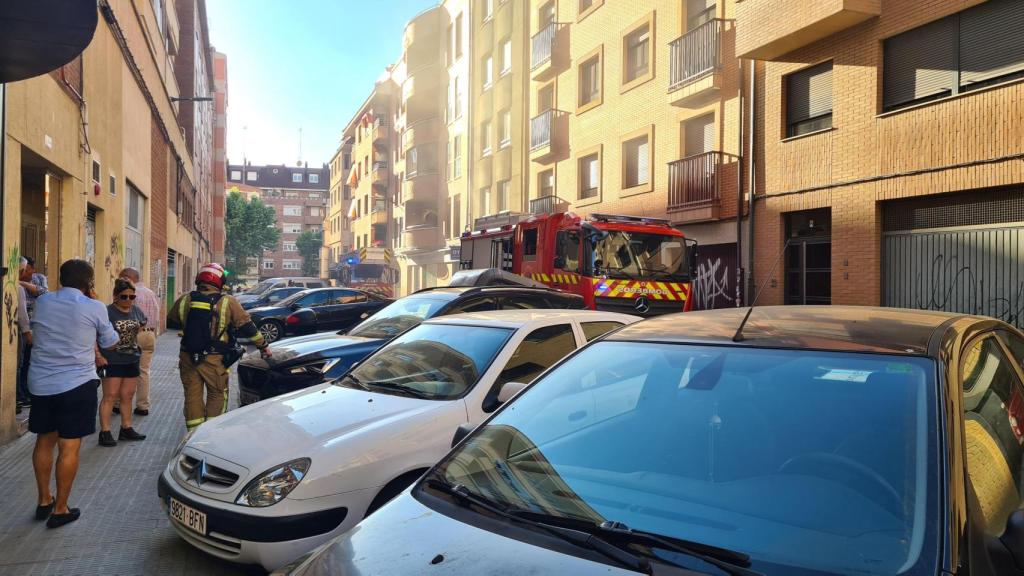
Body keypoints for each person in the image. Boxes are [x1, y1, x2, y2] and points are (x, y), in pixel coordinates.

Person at [28, 259, 119, 529]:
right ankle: (61, 509)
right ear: (88, 282)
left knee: (45, 440)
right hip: (77, 385)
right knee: (69, 446)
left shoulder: (44, 302)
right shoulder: (94, 307)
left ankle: (44, 500)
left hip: (41, 383)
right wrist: (94, 301)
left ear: (61, 277)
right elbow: (110, 341)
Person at [168, 263, 272, 430]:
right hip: (214, 358)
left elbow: (171, 322)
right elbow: (247, 326)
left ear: (198, 279)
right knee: (217, 394)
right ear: (220, 282)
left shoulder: (185, 300)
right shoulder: (228, 302)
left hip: (188, 356)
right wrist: (264, 346)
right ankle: (210, 434)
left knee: (192, 396)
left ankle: (193, 433)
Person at [96, 279, 148, 447]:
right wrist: (98, 356)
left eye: (132, 297)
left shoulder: (137, 311)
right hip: (111, 360)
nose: (128, 300)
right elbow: (94, 336)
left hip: (131, 359)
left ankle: (126, 428)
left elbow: (141, 326)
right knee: (110, 396)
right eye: (123, 296)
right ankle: (105, 432)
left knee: (128, 396)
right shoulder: (106, 312)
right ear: (115, 296)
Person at [114, 267, 159, 416]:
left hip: (133, 334)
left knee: (123, 368)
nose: (119, 281)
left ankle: (118, 403)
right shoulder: (150, 293)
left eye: (121, 278)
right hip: (149, 335)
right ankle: (142, 406)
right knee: (143, 372)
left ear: (128, 278)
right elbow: (156, 316)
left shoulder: (127, 294)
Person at [15, 281, 32, 414]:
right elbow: (22, 313)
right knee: (19, 364)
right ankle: (19, 397)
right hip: (18, 332)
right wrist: (27, 333)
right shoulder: (18, 288)